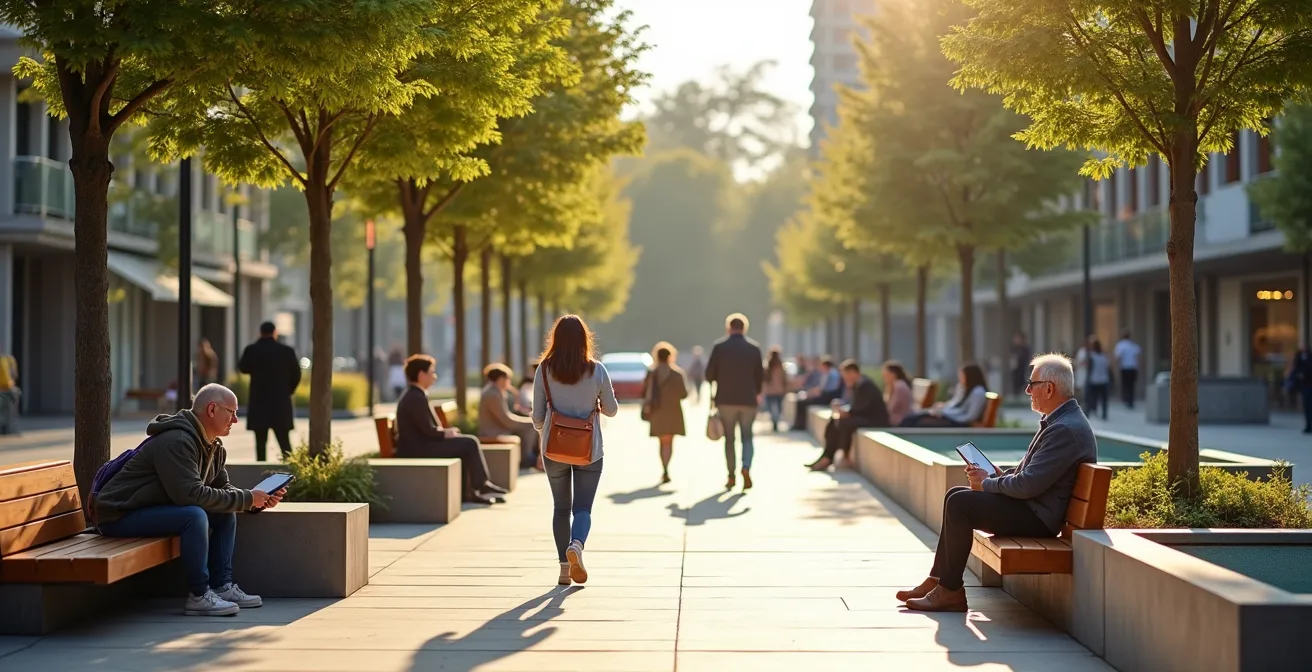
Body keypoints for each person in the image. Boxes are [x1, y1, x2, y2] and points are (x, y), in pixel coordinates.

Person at [898, 353, 1097, 612]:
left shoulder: (1064, 429)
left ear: (1049, 389)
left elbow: (1028, 485)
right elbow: (1032, 475)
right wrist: (998, 475)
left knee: (960, 503)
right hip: (1034, 508)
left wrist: (987, 483)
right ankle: (938, 580)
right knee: (955, 495)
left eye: (1032, 384)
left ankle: (950, 591)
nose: (1027, 390)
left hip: (1038, 518)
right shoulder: (1061, 421)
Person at [96, 384, 282, 617]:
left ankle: (221, 586)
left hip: (149, 509)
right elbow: (190, 495)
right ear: (212, 409)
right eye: (231, 412)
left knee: (223, 512)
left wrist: (257, 500)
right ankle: (199, 594)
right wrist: (246, 498)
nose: (235, 420)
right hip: (119, 515)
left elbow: (222, 489)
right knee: (194, 515)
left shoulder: (212, 445)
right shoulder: (177, 441)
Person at [533, 315, 619, 586]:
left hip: (554, 449)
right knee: (582, 508)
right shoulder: (597, 370)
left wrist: (549, 428)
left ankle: (563, 570)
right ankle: (577, 545)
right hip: (589, 449)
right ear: (585, 339)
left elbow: (537, 418)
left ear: (555, 338)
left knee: (561, 509)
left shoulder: (544, 369)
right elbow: (612, 410)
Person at [397, 354, 507, 505]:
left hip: (420, 445)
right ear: (421, 375)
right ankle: (481, 485)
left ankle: (471, 493)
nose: (434, 377)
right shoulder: (415, 397)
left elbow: (426, 429)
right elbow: (428, 430)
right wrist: (446, 433)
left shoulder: (415, 394)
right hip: (418, 448)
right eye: (432, 372)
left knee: (463, 445)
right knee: (469, 443)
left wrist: (447, 433)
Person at [705, 313, 765, 490]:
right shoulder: (754, 349)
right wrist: (757, 392)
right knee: (747, 436)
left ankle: (731, 476)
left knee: (729, 439)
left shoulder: (719, 348)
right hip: (748, 400)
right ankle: (746, 466)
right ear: (745, 328)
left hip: (725, 400)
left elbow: (709, 375)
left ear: (728, 328)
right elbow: (760, 376)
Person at [809, 359, 890, 471]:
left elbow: (862, 409)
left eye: (846, 375)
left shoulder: (865, 386)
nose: (845, 379)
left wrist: (848, 413)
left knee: (844, 422)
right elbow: (856, 406)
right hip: (865, 416)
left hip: (875, 420)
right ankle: (827, 456)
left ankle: (843, 455)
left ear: (853, 373)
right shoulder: (858, 385)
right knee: (834, 419)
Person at [238, 321, 301, 461]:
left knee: (260, 443)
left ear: (260, 333)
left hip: (259, 402)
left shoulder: (252, 350)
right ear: (275, 333)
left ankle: (261, 470)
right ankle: (290, 469)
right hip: (280, 402)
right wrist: (288, 391)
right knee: (284, 443)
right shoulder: (286, 351)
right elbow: (297, 374)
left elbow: (243, 368)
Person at [479, 363, 542, 470]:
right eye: (508, 379)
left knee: (531, 425)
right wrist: (529, 421)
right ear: (501, 379)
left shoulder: (495, 391)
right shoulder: (493, 395)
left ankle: (530, 456)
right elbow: (507, 421)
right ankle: (526, 459)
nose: (509, 382)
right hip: (493, 432)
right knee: (532, 426)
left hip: (499, 429)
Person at [643, 341, 688, 484]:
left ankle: (664, 468)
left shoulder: (652, 374)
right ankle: (667, 468)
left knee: (662, 442)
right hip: (673, 411)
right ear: (671, 356)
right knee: (670, 442)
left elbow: (644, 393)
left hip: (657, 411)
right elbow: (684, 394)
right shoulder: (677, 374)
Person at [900, 364, 989, 427]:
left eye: (962, 376)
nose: (960, 378)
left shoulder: (978, 392)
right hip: (950, 416)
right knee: (912, 417)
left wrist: (945, 413)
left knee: (918, 422)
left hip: (957, 421)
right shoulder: (963, 388)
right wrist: (943, 408)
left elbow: (970, 416)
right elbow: (955, 403)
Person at [790, 356, 842, 432]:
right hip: (823, 395)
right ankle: (798, 424)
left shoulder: (833, 374)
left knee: (803, 403)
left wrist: (820, 392)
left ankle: (800, 425)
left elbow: (832, 389)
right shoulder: (825, 374)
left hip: (828, 397)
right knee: (801, 401)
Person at [762, 348, 790, 432]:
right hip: (779, 390)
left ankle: (774, 420)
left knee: (770, 408)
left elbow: (763, 379)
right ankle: (776, 420)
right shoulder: (781, 366)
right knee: (779, 407)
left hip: (769, 391)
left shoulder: (767, 366)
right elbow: (785, 379)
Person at [1287, 346, 1312, 433]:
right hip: (1305, 385)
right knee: (1307, 406)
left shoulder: (1309, 357)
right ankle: (1308, 425)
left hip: (1309, 383)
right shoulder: (1299, 357)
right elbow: (1295, 369)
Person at [882, 360, 915, 426]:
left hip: (899, 421)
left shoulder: (899, 386)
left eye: (886, 375)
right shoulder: (896, 385)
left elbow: (892, 407)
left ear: (893, 374)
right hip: (897, 419)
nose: (884, 379)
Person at [1085, 340, 1112, 420]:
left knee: (1091, 397)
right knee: (1104, 399)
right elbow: (1108, 368)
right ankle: (1104, 414)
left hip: (1094, 380)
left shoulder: (1092, 356)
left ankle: (1089, 412)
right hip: (1104, 380)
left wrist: (1088, 379)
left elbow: (1089, 369)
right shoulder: (1104, 356)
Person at [1114, 331, 1141, 409]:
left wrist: (1117, 366)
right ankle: (1131, 401)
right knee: (1131, 385)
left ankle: (1126, 399)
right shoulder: (1133, 345)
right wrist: (1139, 367)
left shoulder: (1120, 345)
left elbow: (1118, 356)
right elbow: (1138, 356)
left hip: (1124, 367)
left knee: (1125, 384)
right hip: (1133, 368)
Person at [0, 344, 19, 435]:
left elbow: (14, 374)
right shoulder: (7, 360)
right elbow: (14, 374)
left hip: (8, 388)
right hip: (4, 389)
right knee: (5, 410)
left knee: (9, 409)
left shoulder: (8, 360)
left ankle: (9, 428)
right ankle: (6, 428)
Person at [1010, 332, 1031, 397]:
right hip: (1016, 371)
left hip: (1023, 371)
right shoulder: (1014, 349)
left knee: (1023, 385)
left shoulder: (1025, 349)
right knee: (1016, 386)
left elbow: (1026, 360)